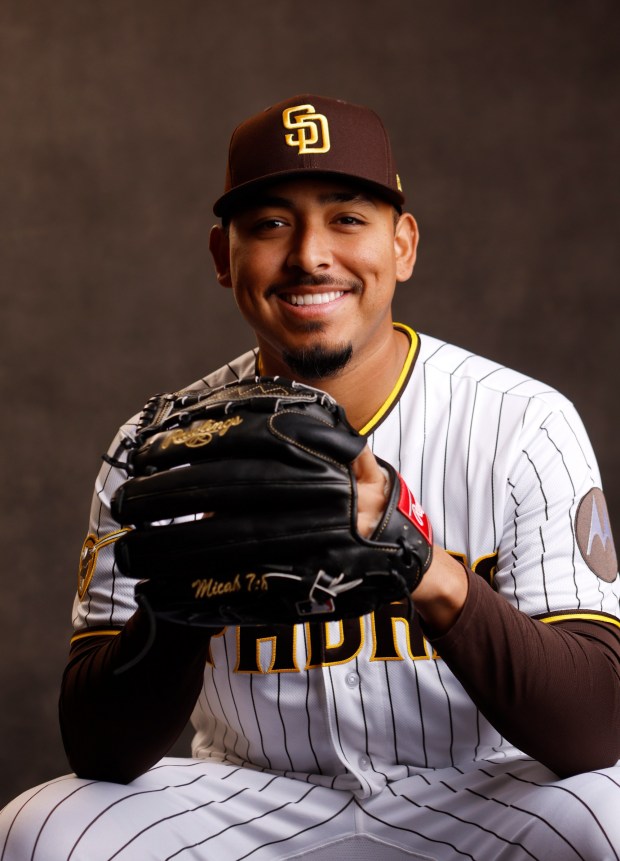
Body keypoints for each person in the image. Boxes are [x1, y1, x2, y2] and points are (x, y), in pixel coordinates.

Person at [1, 94, 619, 861]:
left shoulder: (523, 421)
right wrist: (176, 611)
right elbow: (99, 749)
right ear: (223, 257)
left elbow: (597, 727)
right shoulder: (158, 445)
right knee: (39, 830)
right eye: (269, 223)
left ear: (404, 245)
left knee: (611, 815)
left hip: (478, 792)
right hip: (246, 798)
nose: (310, 255)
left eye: (347, 218)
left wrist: (425, 569)